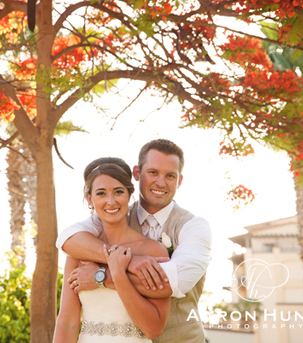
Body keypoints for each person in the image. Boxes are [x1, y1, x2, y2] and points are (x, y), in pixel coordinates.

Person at [56, 139, 212, 343]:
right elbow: (68, 238)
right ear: (137, 174)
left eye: (170, 176)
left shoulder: (193, 227)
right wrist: (128, 260)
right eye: (153, 172)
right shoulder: (106, 219)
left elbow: (171, 282)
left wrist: (100, 276)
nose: (160, 182)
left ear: (179, 180)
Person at [54, 162, 170, 342]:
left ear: (130, 195)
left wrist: (115, 273)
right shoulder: (79, 252)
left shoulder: (152, 250)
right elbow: (67, 322)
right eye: (101, 193)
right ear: (89, 199)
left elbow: (153, 329)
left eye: (118, 191)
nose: (111, 201)